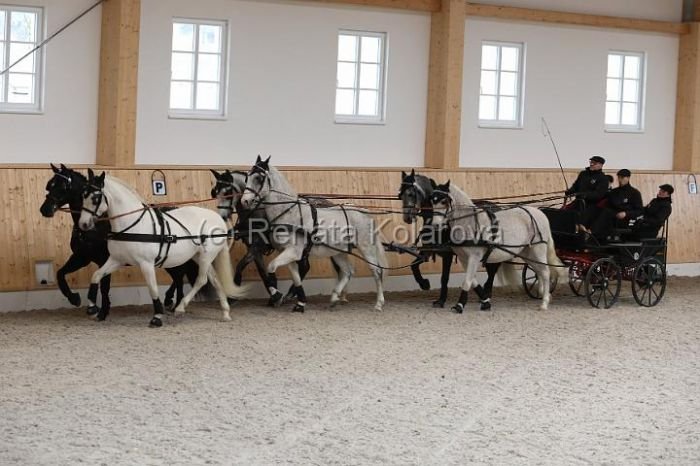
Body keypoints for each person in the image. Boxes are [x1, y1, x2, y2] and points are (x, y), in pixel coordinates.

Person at [588, 169, 643, 238]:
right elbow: (606, 204)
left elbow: (639, 211)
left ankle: (590, 232)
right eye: (619, 177)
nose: (620, 180)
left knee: (606, 213)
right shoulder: (614, 192)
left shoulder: (635, 193)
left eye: (622, 177)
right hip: (610, 217)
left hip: (624, 220)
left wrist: (626, 213)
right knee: (595, 209)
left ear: (628, 178)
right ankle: (584, 229)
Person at [564, 155, 609, 231]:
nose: (591, 164)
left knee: (582, 219)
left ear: (600, 165)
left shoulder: (603, 178)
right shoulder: (583, 174)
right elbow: (576, 186)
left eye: (594, 163)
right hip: (578, 202)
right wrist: (570, 191)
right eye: (591, 162)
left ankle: (583, 231)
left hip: (591, 205)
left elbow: (599, 194)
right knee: (565, 213)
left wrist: (585, 195)